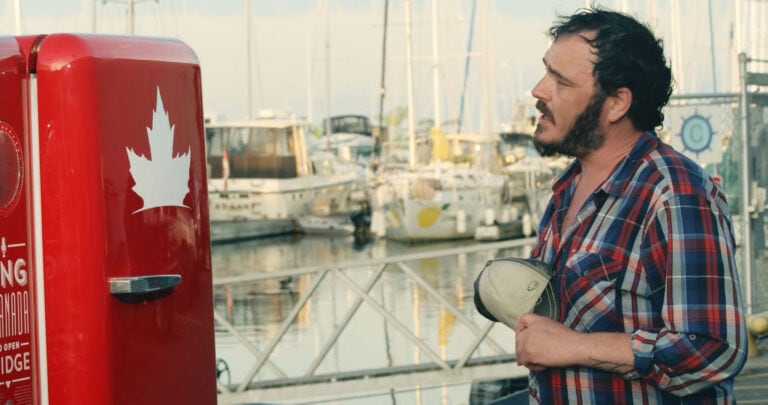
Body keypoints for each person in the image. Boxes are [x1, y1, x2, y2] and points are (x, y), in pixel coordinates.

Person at [511, 6, 748, 404]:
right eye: (545, 72)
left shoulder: (675, 194)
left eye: (561, 81)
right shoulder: (567, 187)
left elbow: (714, 349)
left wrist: (574, 346)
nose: (539, 90)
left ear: (617, 103)